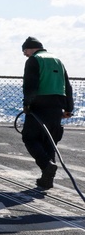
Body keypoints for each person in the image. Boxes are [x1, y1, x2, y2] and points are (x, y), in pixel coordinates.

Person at [21, 37, 74, 190]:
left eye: (24, 50)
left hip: (39, 106)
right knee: (50, 142)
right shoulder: (58, 60)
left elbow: (30, 85)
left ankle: (46, 165)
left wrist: (27, 105)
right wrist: (68, 108)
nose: (24, 54)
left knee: (29, 137)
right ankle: (47, 180)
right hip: (57, 107)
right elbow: (67, 86)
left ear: (30, 48)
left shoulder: (34, 60)